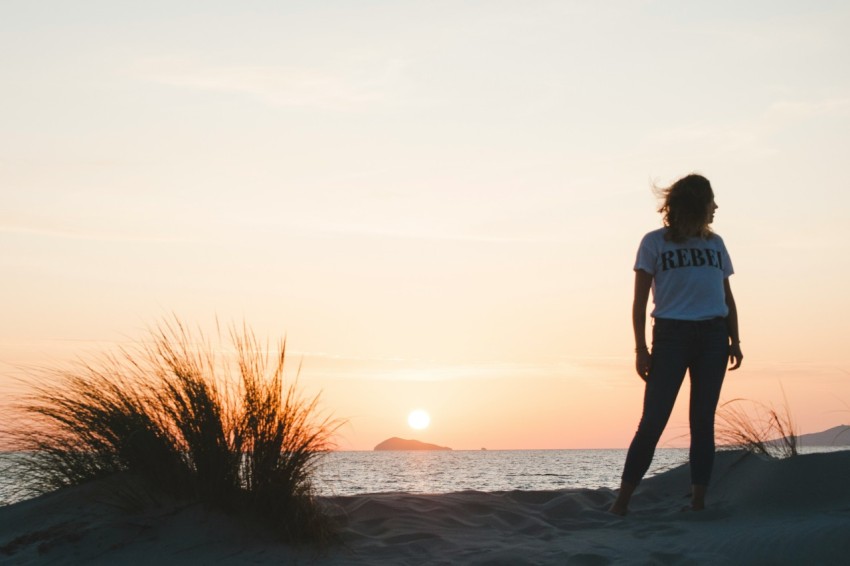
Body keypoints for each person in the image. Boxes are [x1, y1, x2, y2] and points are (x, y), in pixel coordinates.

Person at [609, 173, 743, 516]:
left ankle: (698, 502)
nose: (716, 207)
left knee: (703, 422)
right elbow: (639, 303)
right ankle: (622, 502)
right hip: (670, 337)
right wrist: (640, 348)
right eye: (711, 200)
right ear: (696, 204)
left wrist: (736, 338)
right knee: (652, 421)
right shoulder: (654, 243)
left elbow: (726, 295)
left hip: (714, 337)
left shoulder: (716, 244)